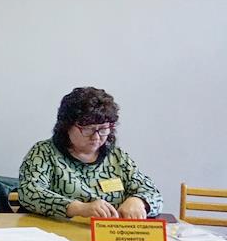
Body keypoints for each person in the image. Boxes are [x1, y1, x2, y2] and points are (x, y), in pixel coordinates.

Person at [18, 86, 162, 220]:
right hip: (58, 232)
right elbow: (29, 193)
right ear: (66, 127)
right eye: (88, 129)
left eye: (103, 129)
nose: (96, 137)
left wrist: (139, 201)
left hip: (109, 234)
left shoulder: (117, 157)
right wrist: (78, 208)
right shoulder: (44, 153)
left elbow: (153, 194)